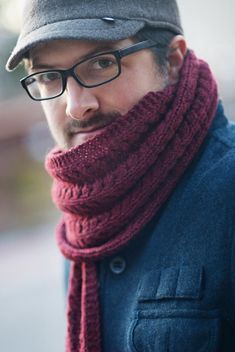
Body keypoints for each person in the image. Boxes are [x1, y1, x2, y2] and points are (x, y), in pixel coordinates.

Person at [6, 0, 235, 351]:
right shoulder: (83, 226)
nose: (75, 105)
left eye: (101, 63)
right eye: (50, 76)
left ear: (172, 62)